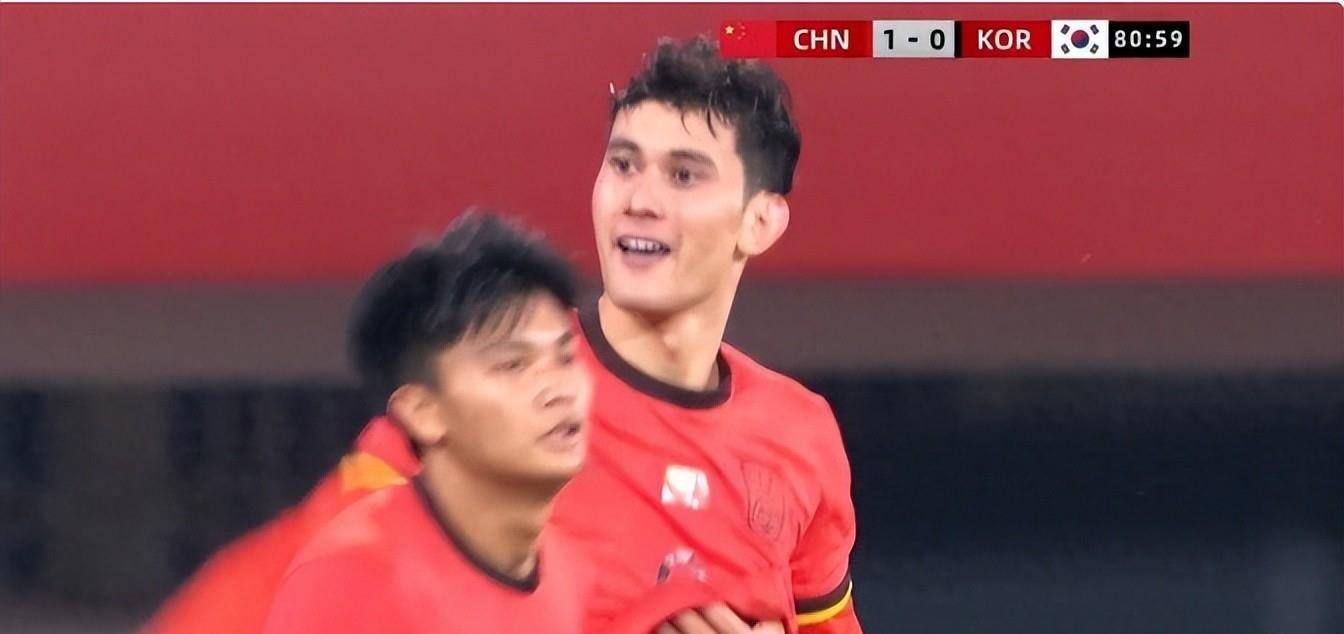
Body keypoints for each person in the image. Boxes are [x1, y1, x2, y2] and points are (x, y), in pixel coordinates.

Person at [146, 36, 860, 634]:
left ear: (760, 220)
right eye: (622, 165)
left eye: (683, 175)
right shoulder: (489, 392)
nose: (639, 199)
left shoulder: (802, 434)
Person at [244, 212, 596, 633]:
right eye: (512, 365)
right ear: (422, 412)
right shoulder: (351, 580)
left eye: (565, 357)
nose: (559, 388)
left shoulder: (572, 573)